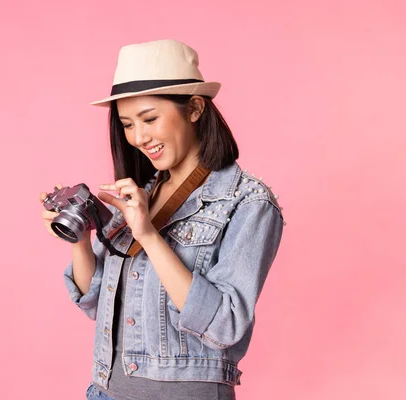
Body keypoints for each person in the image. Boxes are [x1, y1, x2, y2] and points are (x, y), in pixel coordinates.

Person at [39, 39, 284, 400]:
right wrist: (79, 237)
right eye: (127, 124)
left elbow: (226, 324)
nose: (139, 138)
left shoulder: (248, 202)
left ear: (195, 108)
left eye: (150, 118)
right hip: (105, 392)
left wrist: (150, 236)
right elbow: (94, 303)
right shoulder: (140, 195)